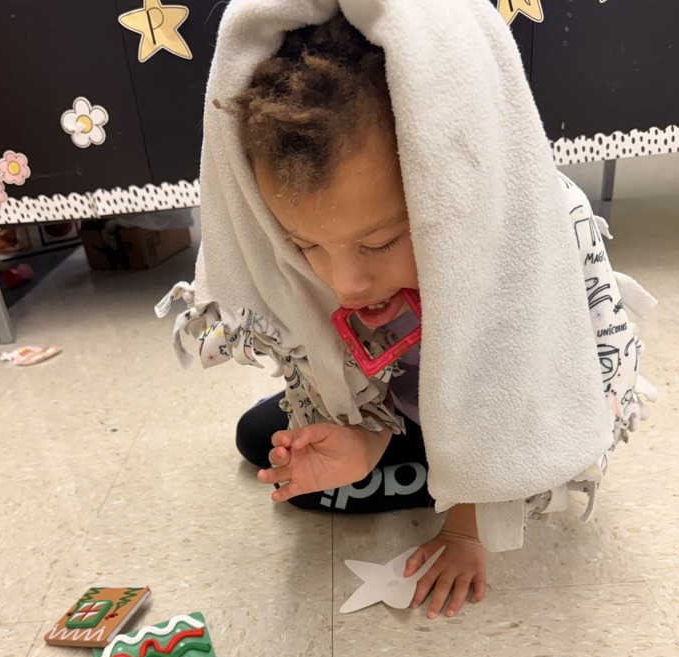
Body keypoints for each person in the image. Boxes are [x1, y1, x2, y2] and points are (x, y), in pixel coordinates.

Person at [158, 0, 656, 619]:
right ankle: (420, 456)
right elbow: (327, 351)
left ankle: (467, 475)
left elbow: (524, 384)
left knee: (504, 466)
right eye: (305, 246)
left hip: (528, 403)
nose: (345, 282)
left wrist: (468, 529)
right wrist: (363, 436)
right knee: (263, 442)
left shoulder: (534, 223)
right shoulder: (325, 265)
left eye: (379, 242)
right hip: (412, 398)